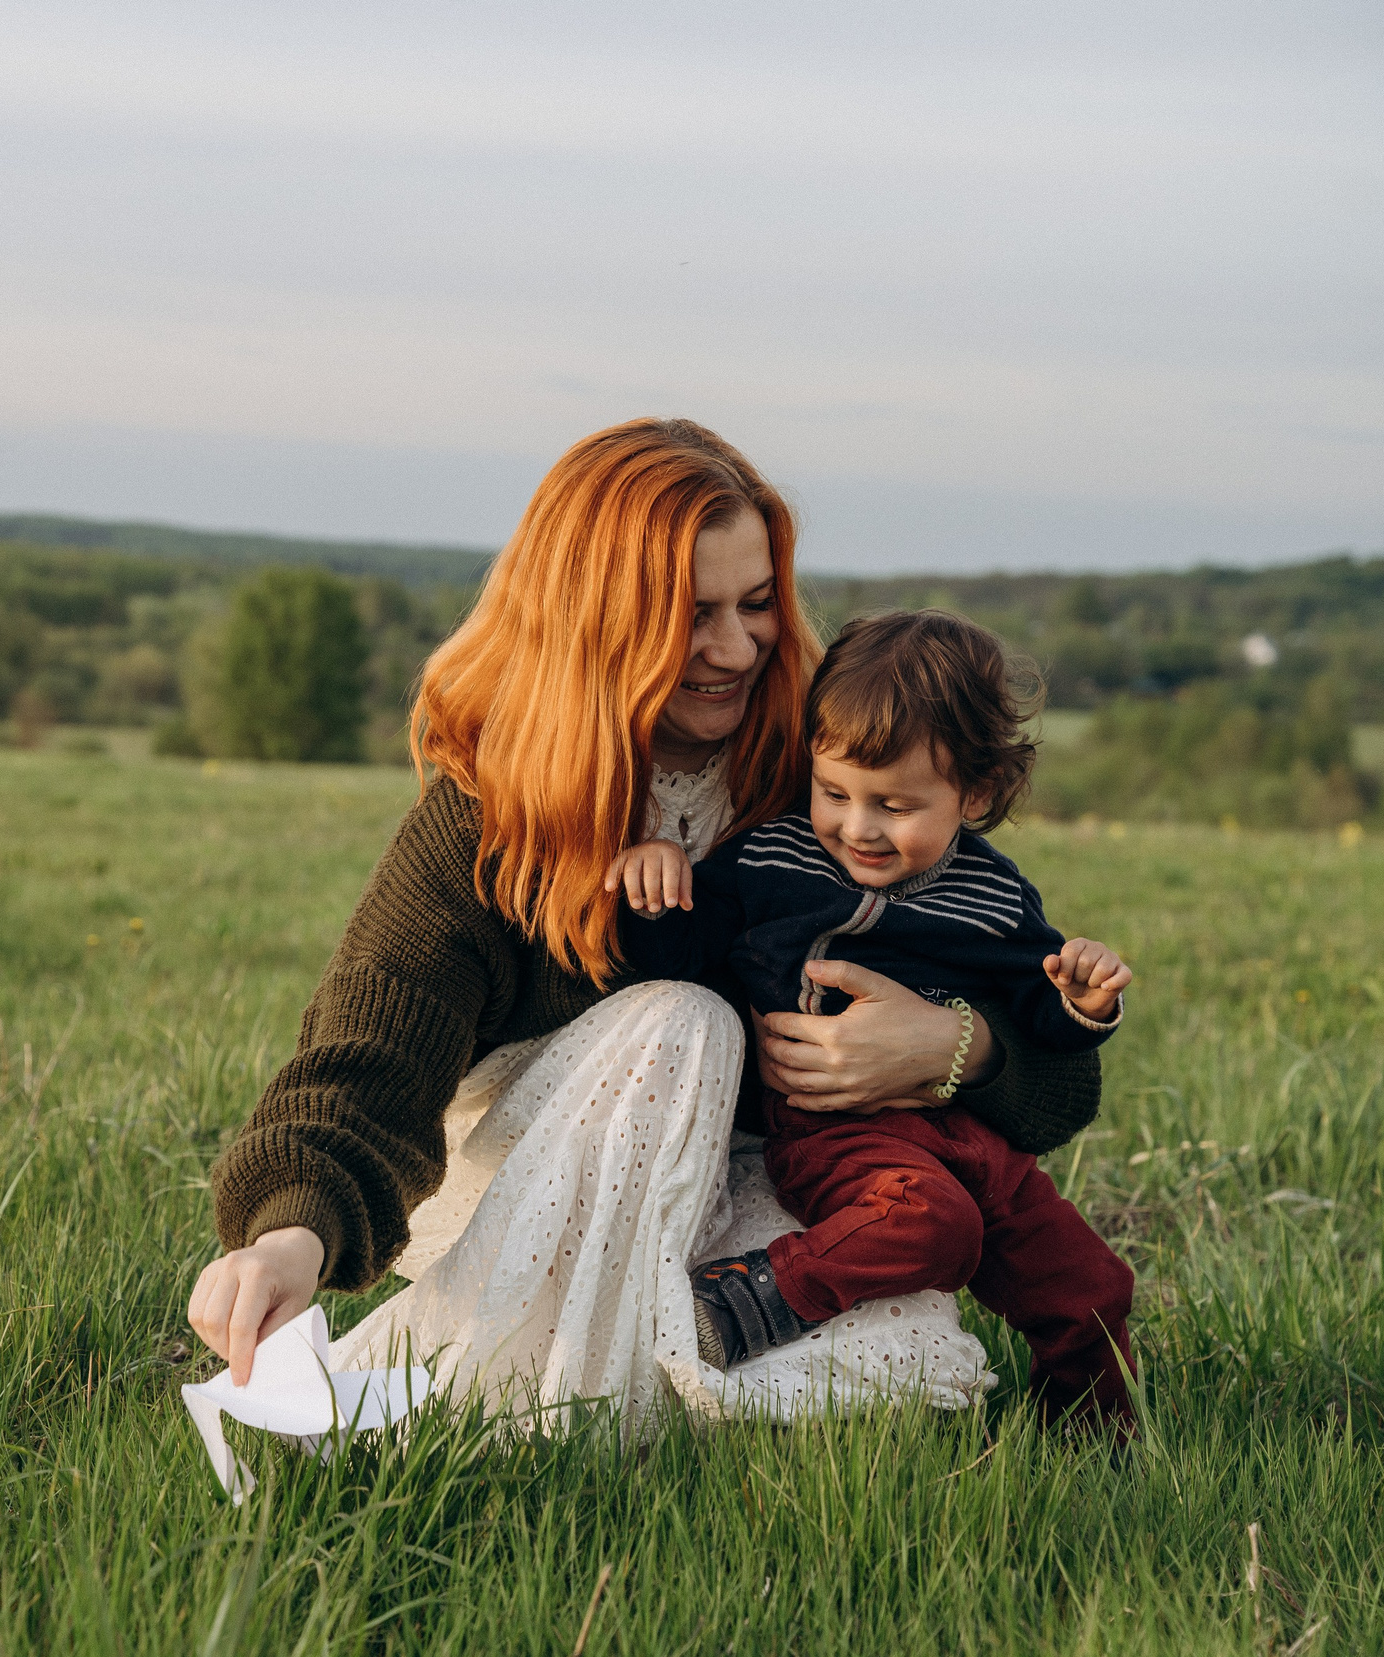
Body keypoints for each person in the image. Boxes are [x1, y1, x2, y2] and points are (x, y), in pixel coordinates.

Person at [186, 418, 1103, 1427]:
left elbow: (1044, 1078)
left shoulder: (822, 773)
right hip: (549, 1178)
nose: (735, 647)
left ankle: (623, 1373)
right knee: (683, 1019)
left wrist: (953, 1047)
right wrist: (287, 1237)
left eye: (756, 604)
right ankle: (498, 1397)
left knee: (909, 1380)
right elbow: (366, 1061)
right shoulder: (489, 815)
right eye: (689, 613)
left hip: (753, 1174)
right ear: (595, 618)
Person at [611, 608, 1138, 1424]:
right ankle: (744, 1299)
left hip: (978, 1142)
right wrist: (656, 888)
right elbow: (684, 956)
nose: (858, 828)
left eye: (894, 805)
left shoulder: (996, 895)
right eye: (834, 792)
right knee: (934, 1223)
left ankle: (1092, 1441)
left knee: (1098, 1287)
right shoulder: (775, 859)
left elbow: (1041, 1017)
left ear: (977, 791)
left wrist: (1082, 1001)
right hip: (837, 1132)